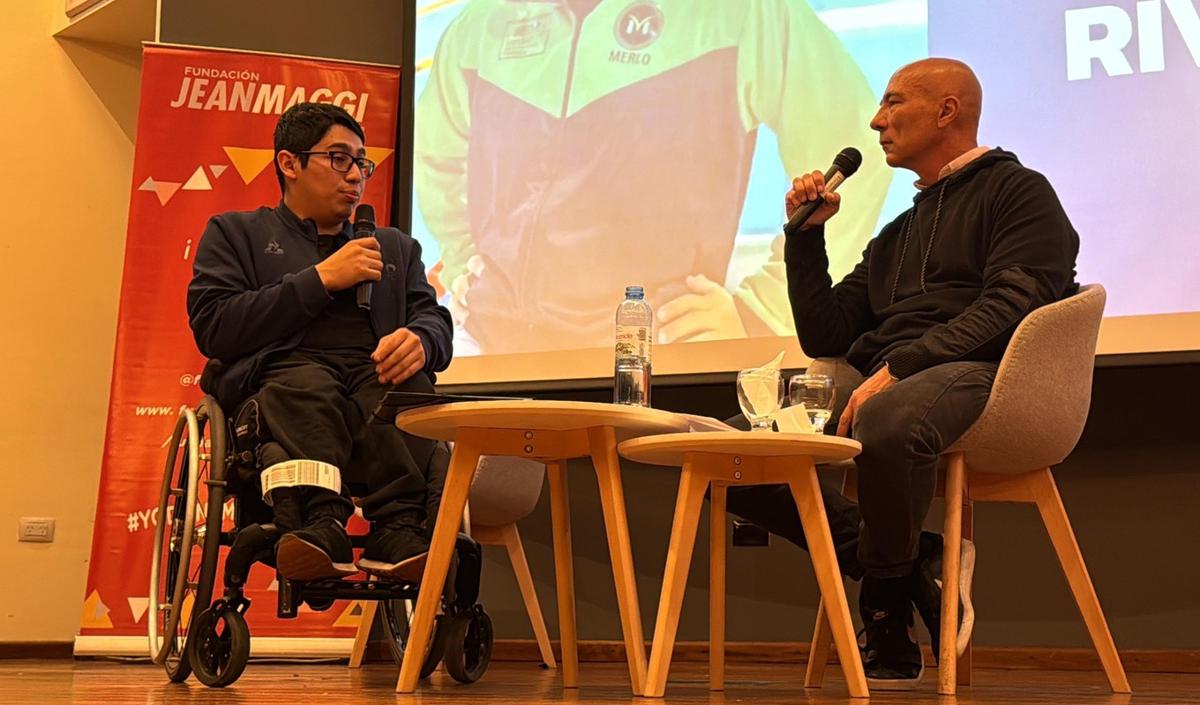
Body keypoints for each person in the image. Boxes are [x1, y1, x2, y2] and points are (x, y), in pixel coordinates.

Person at [726, 58, 1080, 689]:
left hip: (982, 373)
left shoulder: (1020, 192)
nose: (875, 120)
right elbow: (827, 336)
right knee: (730, 449)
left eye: (892, 103)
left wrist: (900, 367)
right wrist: (805, 239)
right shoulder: (899, 231)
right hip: (888, 380)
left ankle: (885, 611)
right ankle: (910, 562)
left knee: (889, 418)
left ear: (946, 111)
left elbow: (1014, 303)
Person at [414, 0, 892, 354]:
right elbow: (436, 158)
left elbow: (854, 148)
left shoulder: (741, 13)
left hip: (656, 350)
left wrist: (761, 311)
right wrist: (464, 262)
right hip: (498, 346)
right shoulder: (482, 25)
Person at [187, 103, 454, 582]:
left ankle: (399, 530)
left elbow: (433, 319)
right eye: (339, 158)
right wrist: (320, 280)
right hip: (283, 377)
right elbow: (214, 325)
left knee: (408, 390)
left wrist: (422, 340)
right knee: (306, 387)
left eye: (361, 163)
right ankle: (320, 524)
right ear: (289, 163)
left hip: (373, 374)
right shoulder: (235, 233)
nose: (355, 176)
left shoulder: (395, 247)